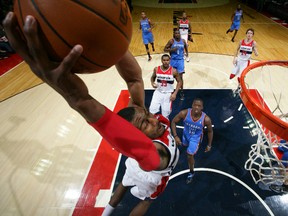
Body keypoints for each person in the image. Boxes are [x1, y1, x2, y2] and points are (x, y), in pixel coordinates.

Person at [3, 12, 162, 172]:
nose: (154, 119)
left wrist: (110, 38)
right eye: (145, 123)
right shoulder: (150, 155)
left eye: (147, 116)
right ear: (132, 137)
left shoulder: (147, 124)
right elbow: (80, 100)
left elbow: (134, 79)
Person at [102, 107, 180, 215]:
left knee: (124, 183)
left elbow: (133, 112)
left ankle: (105, 214)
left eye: (148, 114)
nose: (154, 120)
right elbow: (154, 154)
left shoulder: (146, 122)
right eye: (145, 124)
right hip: (151, 177)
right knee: (147, 201)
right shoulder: (157, 149)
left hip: (134, 164)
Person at [171, 98, 213, 184]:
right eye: (195, 105)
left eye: (199, 106)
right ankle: (187, 148)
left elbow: (210, 131)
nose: (197, 107)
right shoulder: (184, 113)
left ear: (202, 107)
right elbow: (173, 122)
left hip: (196, 138)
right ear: (192, 105)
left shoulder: (206, 119)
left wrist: (209, 145)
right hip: (186, 134)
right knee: (184, 145)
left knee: (190, 155)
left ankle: (191, 172)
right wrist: (175, 136)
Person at [149, 54, 182, 119]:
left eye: (167, 60)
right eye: (164, 60)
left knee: (165, 115)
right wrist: (152, 83)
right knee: (151, 112)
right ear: (161, 60)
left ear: (170, 60)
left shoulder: (174, 71)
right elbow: (152, 77)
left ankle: (166, 128)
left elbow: (179, 81)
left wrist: (175, 93)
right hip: (158, 92)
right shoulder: (156, 69)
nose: (166, 62)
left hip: (168, 94)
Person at [164, 30, 188, 100]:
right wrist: (172, 49)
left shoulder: (183, 41)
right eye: (176, 33)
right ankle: (169, 90)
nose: (177, 34)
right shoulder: (171, 41)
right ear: (174, 34)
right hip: (173, 61)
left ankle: (181, 91)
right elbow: (165, 49)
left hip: (180, 61)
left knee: (180, 77)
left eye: (178, 33)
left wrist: (187, 55)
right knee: (170, 77)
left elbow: (186, 48)